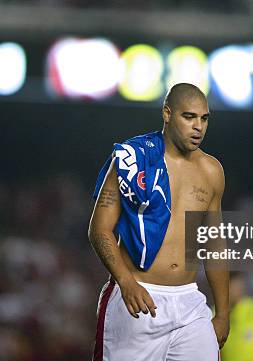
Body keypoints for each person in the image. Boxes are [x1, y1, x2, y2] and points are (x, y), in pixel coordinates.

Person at [88, 83, 229, 361]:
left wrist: (223, 312)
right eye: (189, 117)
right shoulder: (133, 159)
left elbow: (214, 243)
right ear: (167, 113)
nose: (198, 126)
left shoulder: (212, 170)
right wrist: (126, 282)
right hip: (138, 298)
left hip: (190, 303)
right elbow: (99, 230)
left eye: (204, 118)